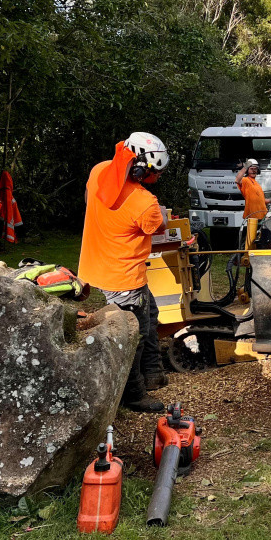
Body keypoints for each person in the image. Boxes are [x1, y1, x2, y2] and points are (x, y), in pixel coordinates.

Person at [78, 132, 170, 412]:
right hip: (124, 277)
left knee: (150, 313)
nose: (157, 177)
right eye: (155, 172)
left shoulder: (99, 171)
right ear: (141, 168)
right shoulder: (144, 202)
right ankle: (133, 393)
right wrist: (163, 212)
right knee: (133, 335)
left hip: (97, 265)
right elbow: (160, 226)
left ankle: (152, 373)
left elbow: (89, 199)